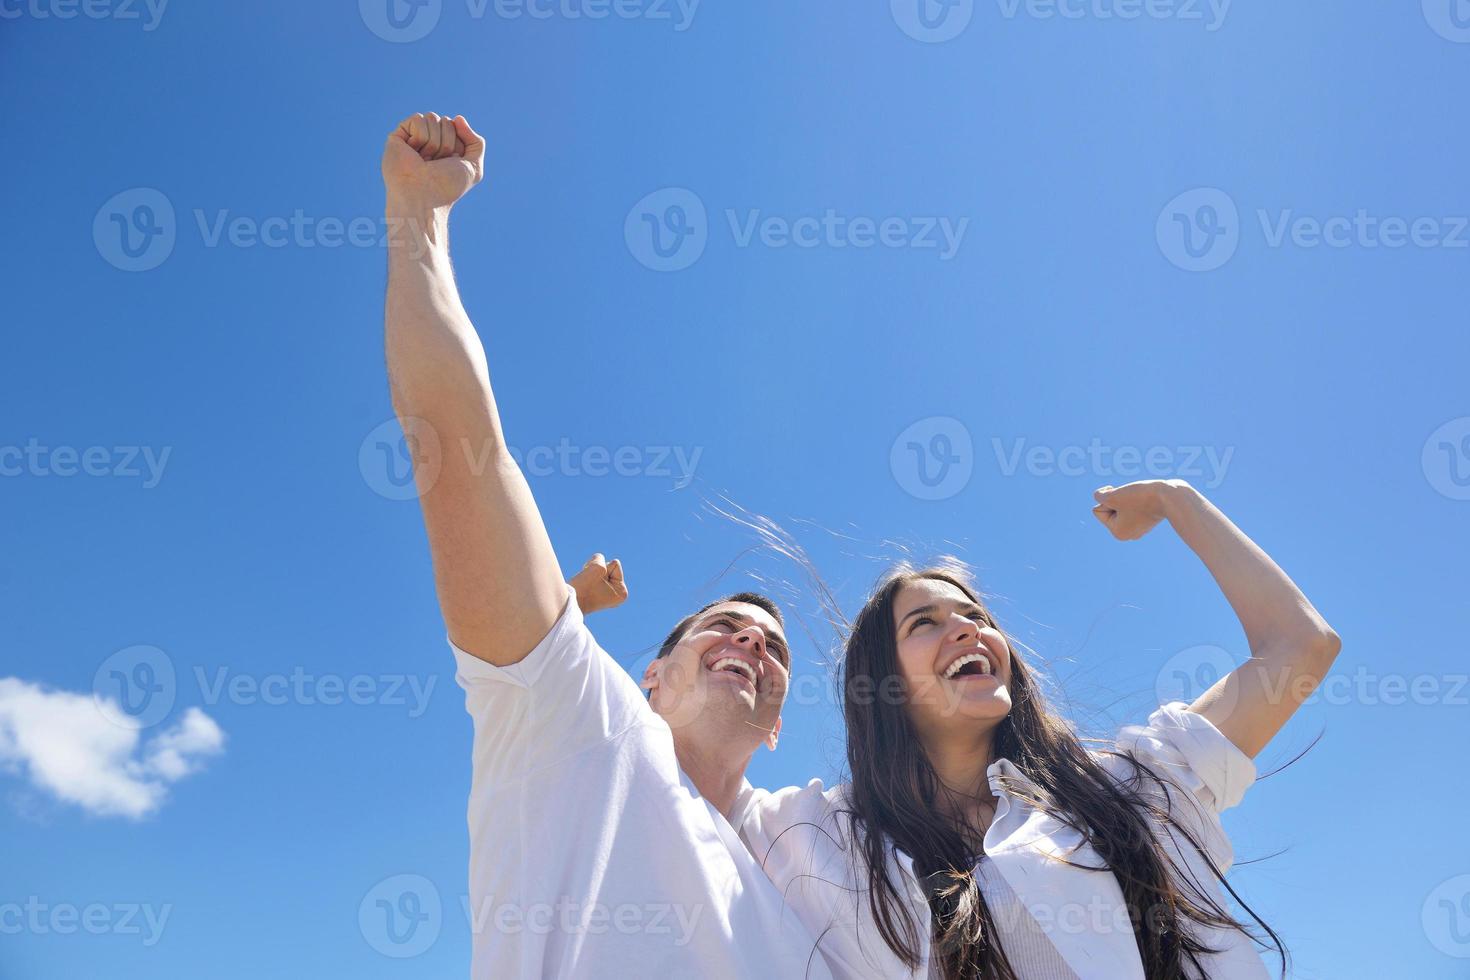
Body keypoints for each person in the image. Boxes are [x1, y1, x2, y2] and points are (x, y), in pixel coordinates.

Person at [381, 110, 832, 979]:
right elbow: (460, 440)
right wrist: (419, 221)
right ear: (648, 677)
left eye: (773, 648)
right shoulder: (579, 720)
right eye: (724, 627)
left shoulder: (804, 898)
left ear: (778, 726)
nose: (751, 642)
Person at [735, 480, 1341, 979]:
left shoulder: (1129, 787)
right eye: (925, 622)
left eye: (976, 616)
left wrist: (1175, 500)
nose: (969, 630)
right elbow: (666, 784)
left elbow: (1301, 645)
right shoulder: (821, 837)